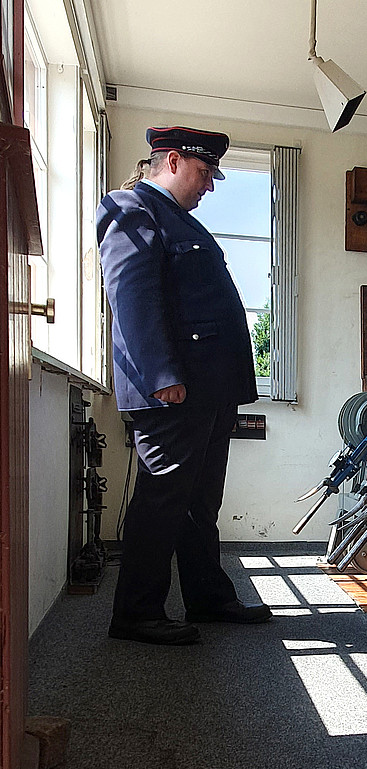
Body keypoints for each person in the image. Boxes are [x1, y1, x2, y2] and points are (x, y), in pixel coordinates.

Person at [96, 125, 272, 645]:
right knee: (162, 499)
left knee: (200, 501)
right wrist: (161, 376)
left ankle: (208, 597)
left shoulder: (176, 219)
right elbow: (132, 298)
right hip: (174, 390)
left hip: (209, 391)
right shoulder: (132, 210)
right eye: (203, 172)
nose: (209, 186)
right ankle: (136, 612)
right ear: (171, 160)